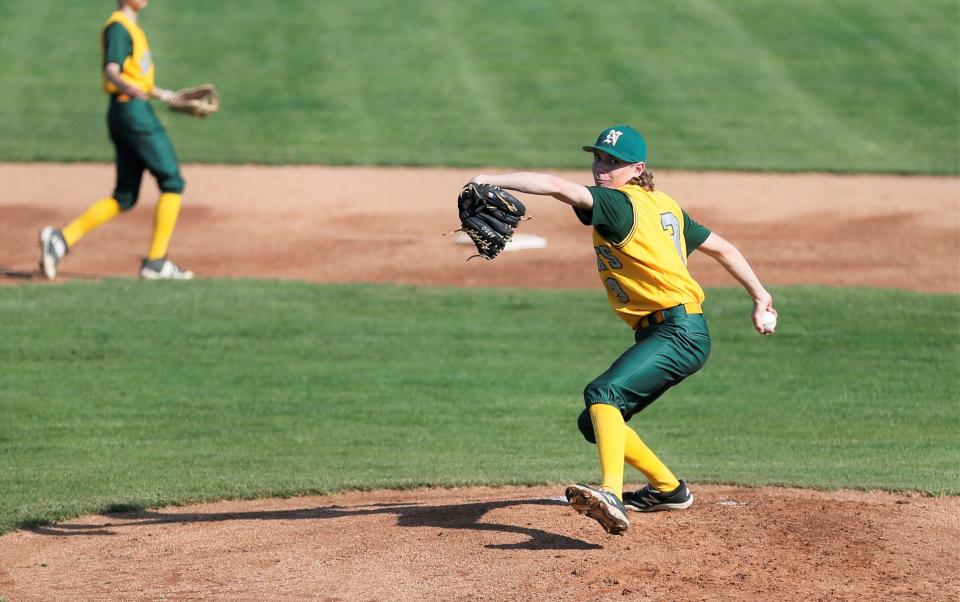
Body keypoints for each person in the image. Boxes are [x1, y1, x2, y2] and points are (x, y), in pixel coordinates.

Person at [469, 125, 776, 535]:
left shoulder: (618, 204)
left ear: (637, 169)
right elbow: (722, 247)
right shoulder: (661, 205)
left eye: (613, 162)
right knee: (593, 420)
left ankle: (611, 493)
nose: (602, 168)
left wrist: (486, 180)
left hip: (679, 331)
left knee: (602, 394)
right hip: (670, 332)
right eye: (598, 158)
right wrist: (760, 296)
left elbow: (556, 186)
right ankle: (668, 490)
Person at [39, 0, 193, 280]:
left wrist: (167, 96)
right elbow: (111, 70)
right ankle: (156, 263)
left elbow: (139, 79)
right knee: (172, 181)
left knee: (124, 196)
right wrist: (127, 86)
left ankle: (60, 240)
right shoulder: (119, 28)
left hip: (127, 110)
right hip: (132, 112)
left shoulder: (132, 29)